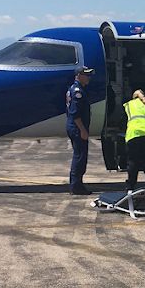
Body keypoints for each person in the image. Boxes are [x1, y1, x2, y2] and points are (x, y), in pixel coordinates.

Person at [65, 66, 94, 194]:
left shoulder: (75, 89)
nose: (88, 77)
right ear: (78, 76)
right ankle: (76, 186)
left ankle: (76, 184)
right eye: (86, 75)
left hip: (74, 126)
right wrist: (82, 130)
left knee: (79, 155)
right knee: (80, 157)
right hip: (77, 128)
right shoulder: (78, 92)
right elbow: (75, 114)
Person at [123, 89, 145, 191]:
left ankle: (131, 184)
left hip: (134, 134)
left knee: (133, 161)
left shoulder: (129, 104)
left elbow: (124, 119)